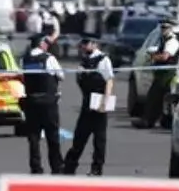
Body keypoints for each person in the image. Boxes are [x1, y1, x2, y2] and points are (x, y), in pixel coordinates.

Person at [63, 34, 114, 176]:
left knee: (99, 139)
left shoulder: (103, 60)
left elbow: (109, 81)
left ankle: (96, 168)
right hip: (87, 102)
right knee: (79, 136)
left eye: (87, 43)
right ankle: (69, 167)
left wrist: (105, 101)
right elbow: (80, 80)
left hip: (99, 101)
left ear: (95, 44)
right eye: (83, 43)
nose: (84, 46)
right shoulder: (84, 61)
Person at [20, 34, 65, 174]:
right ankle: (56, 166)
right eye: (46, 42)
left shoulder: (24, 59)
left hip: (31, 102)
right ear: (41, 44)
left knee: (33, 137)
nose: (47, 44)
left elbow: (23, 78)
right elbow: (61, 76)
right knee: (52, 136)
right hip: (48, 103)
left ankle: (35, 167)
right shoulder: (49, 58)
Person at [138, 20, 179, 128]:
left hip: (166, 76)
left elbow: (165, 57)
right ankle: (153, 120)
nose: (163, 30)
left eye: (165, 28)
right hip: (161, 74)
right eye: (162, 28)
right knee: (158, 99)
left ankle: (148, 121)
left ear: (170, 28)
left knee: (155, 97)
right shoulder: (163, 40)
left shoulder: (172, 42)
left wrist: (152, 57)